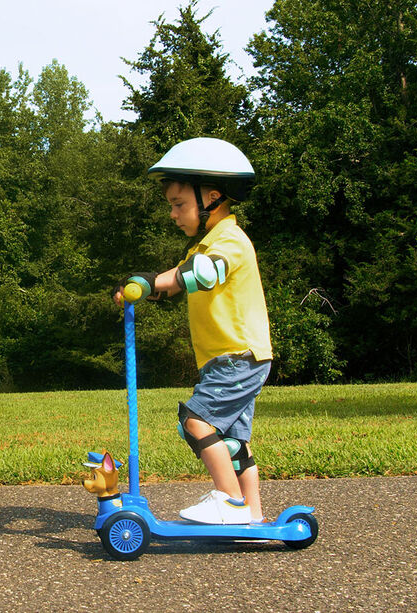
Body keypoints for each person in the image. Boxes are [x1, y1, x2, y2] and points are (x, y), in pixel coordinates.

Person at [113, 137, 273, 525]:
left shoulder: (229, 240)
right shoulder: (205, 245)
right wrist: (142, 285)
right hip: (237, 357)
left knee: (196, 421)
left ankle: (229, 502)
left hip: (237, 356)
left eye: (179, 204)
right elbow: (175, 281)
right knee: (234, 444)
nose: (173, 213)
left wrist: (154, 282)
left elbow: (201, 274)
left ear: (212, 197)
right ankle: (251, 511)